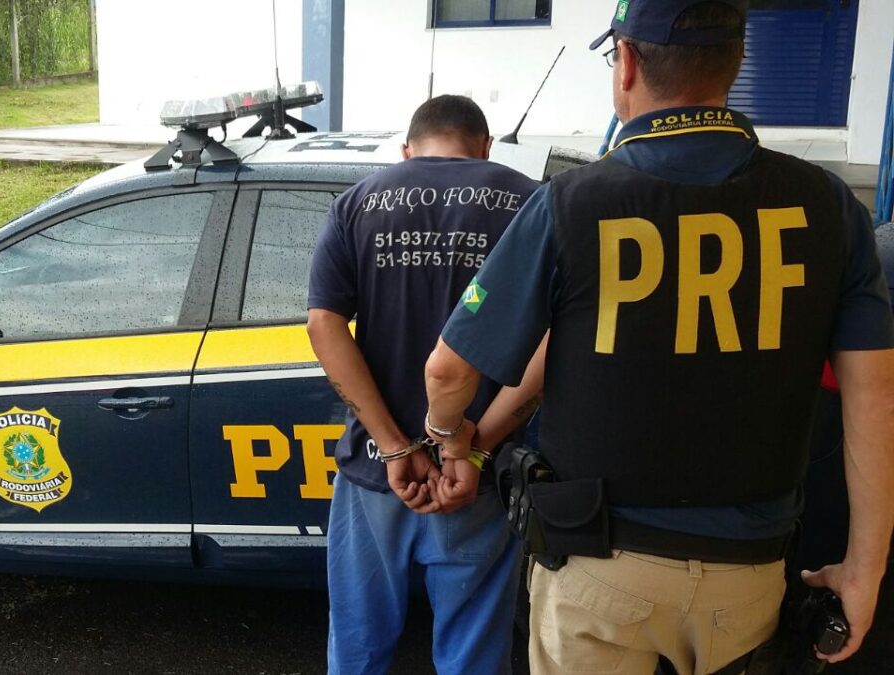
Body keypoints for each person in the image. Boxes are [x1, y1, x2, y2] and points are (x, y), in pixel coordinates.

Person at [421, 2, 894, 674]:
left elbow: (447, 371)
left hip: (598, 565)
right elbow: (875, 397)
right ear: (735, 62)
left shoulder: (570, 204)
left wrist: (449, 439)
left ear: (627, 64)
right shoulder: (829, 205)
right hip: (749, 571)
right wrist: (865, 569)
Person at [306, 95, 541, 675]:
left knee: (358, 650)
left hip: (376, 472)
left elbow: (323, 324)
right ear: (485, 146)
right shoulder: (531, 204)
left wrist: (393, 446)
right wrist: (476, 448)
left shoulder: (357, 203)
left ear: (407, 150)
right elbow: (551, 345)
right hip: (478, 478)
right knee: (472, 656)